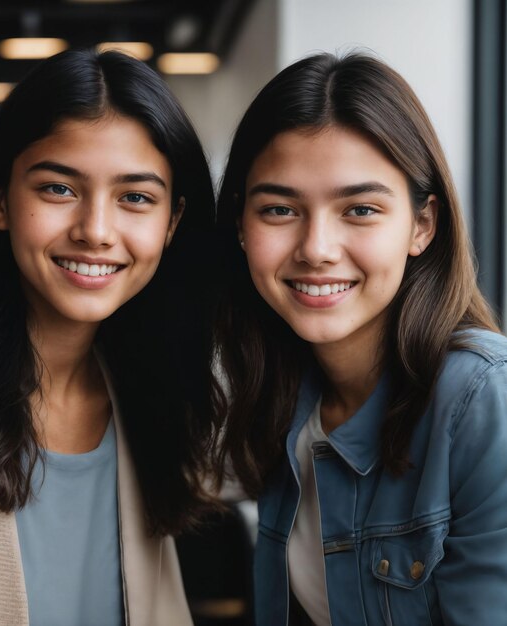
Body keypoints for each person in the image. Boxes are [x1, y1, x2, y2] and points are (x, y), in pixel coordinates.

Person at [0, 48, 221, 626]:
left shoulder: (157, 388)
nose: (95, 230)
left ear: (173, 222)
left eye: (135, 197)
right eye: (58, 189)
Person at [213, 51, 507, 626]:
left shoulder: (483, 401)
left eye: (361, 209)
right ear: (241, 229)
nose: (317, 248)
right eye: (279, 209)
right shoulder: (280, 394)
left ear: (422, 225)